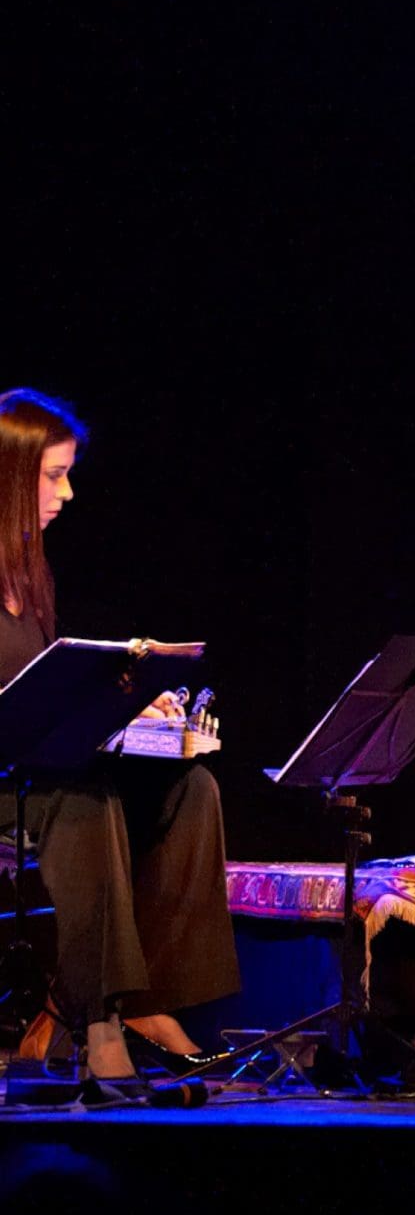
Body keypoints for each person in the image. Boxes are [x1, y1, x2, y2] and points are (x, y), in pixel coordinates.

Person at [0, 388, 241, 1097]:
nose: (67, 493)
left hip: (32, 773)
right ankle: (101, 1022)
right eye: (52, 475)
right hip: (12, 786)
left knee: (190, 788)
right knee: (83, 799)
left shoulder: (29, 571)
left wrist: (127, 701)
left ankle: (150, 1003)